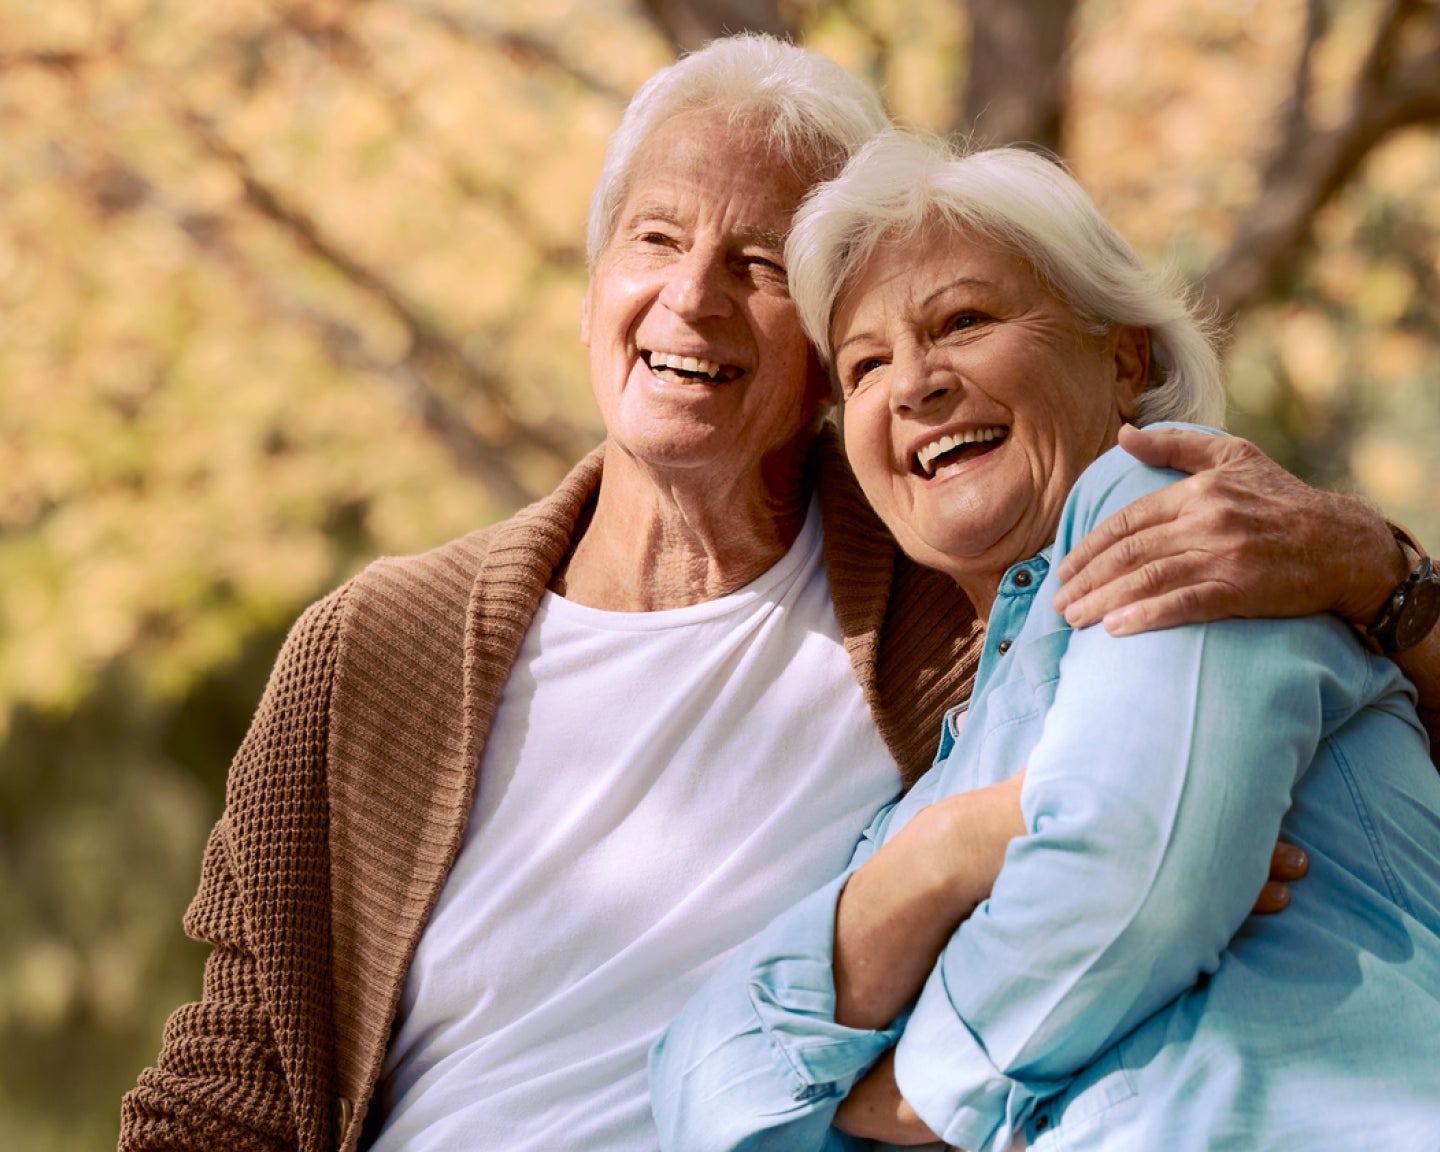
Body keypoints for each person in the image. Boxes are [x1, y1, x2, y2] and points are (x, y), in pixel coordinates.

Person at [119, 35, 1440, 1152]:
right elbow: (239, 1068)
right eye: (656, 237)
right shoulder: (378, 648)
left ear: (808, 359)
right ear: (592, 294)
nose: (691, 295)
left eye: (758, 265)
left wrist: (1384, 573)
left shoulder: (960, 606)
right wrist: (951, 856)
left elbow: (1162, 826)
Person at [649, 132, 1440, 1151]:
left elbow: (1138, 871)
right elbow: (695, 1094)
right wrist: (947, 852)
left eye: (963, 321)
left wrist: (900, 1095)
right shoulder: (932, 790)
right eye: (866, 365)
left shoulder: (1184, 518)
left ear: (1121, 356)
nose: (914, 385)